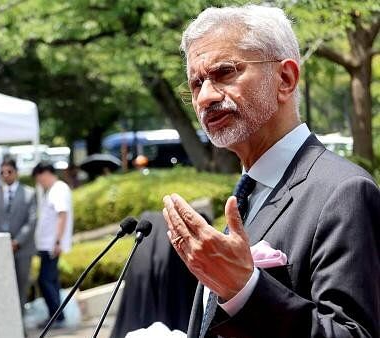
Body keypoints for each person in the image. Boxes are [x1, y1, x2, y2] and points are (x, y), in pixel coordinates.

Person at [158, 5, 379, 338]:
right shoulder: (248, 193)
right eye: (196, 83)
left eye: (223, 72)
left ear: (285, 79)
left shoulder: (343, 191)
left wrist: (246, 290)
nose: (205, 97)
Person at [0, 159, 37, 312]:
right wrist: (3, 241)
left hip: (23, 248)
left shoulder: (29, 193)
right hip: (0, 248)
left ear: (16, 173)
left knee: (21, 285)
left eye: (9, 172)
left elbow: (32, 221)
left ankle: (21, 322)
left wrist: (17, 241)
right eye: (2, 173)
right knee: (2, 284)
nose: (5, 175)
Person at [32, 162, 73, 328]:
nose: (39, 182)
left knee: (45, 280)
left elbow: (62, 215)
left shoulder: (58, 189)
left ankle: (57, 317)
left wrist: (57, 241)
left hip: (52, 245)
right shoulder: (54, 189)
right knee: (51, 281)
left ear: (45, 173)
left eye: (39, 178)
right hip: (48, 245)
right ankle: (57, 315)